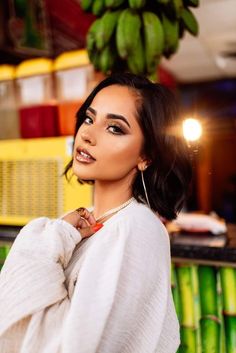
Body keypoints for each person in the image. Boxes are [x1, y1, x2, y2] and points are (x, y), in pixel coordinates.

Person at [0, 72, 192, 353]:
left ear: (145, 156)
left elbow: (80, 346)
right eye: (89, 119)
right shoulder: (80, 221)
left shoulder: (136, 228)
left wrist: (46, 242)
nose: (87, 134)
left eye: (115, 128)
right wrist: (59, 234)